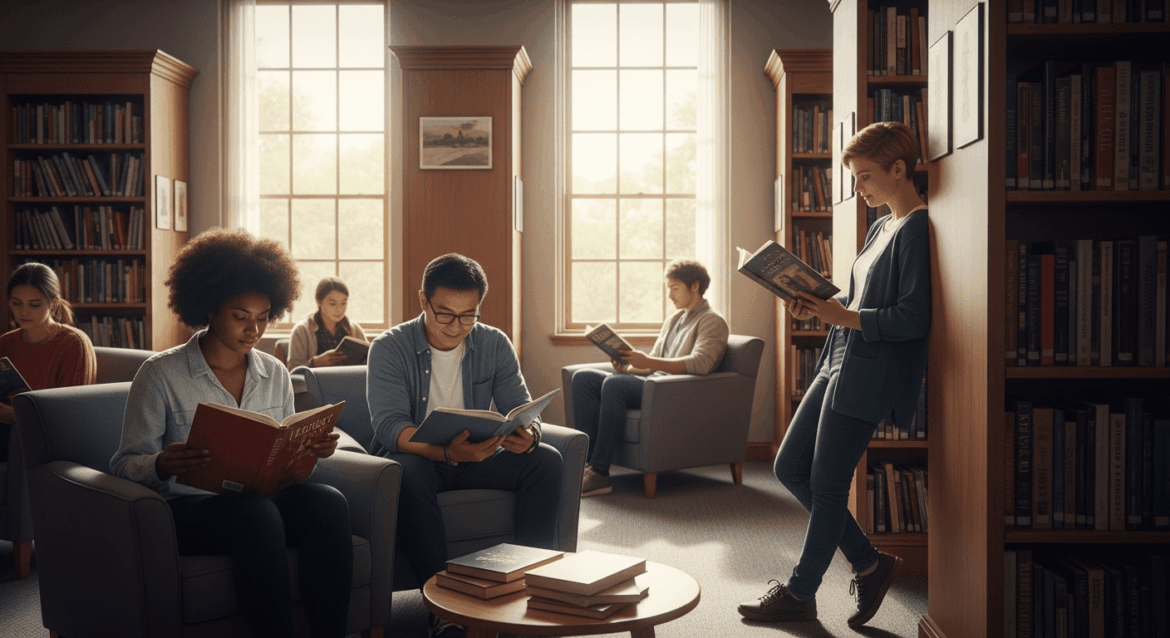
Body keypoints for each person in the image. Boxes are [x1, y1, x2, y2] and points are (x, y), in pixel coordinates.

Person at [110, 228, 352, 638]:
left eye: (262, 319)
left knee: (329, 504)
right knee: (255, 514)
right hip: (191, 510)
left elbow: (280, 453)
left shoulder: (274, 371)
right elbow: (123, 464)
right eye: (241, 317)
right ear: (208, 307)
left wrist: (305, 455)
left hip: (260, 499)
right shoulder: (159, 374)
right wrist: (163, 462)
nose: (253, 330)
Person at [736, 121, 930, 628]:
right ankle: (869, 563)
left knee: (826, 483)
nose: (858, 188)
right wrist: (822, 305)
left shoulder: (915, 229)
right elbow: (860, 299)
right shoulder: (881, 224)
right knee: (787, 467)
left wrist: (842, 316)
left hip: (868, 375)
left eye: (865, 177)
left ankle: (801, 592)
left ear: (899, 169)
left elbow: (914, 318)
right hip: (837, 360)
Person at [367, 253, 562, 638]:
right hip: (417, 458)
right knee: (410, 470)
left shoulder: (493, 343)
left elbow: (518, 404)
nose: (457, 327)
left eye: (468, 315)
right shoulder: (389, 347)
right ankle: (443, 608)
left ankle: (529, 587)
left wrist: (529, 432)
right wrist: (443, 452)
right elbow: (390, 427)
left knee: (547, 461)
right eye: (445, 314)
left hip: (475, 454)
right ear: (423, 301)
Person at [570, 259, 729, 497]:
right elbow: (653, 362)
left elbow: (702, 364)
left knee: (614, 385)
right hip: (654, 384)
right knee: (584, 379)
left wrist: (648, 363)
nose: (670, 296)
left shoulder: (712, 321)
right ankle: (584, 466)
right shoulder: (674, 320)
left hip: (675, 392)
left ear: (694, 286)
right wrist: (629, 368)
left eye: (675, 289)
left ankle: (599, 473)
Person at [0, 262, 97, 460]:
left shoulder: (73, 343)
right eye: (16, 303)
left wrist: (18, 416)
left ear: (53, 303)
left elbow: (71, 414)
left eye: (34, 305)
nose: (24, 312)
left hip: (48, 439)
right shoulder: (6, 343)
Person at [287, 276, 368, 369]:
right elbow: (292, 372)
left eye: (344, 303)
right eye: (332, 304)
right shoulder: (302, 330)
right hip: (315, 383)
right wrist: (315, 362)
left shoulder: (354, 329)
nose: (339, 309)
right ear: (319, 301)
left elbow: (369, 363)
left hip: (349, 382)